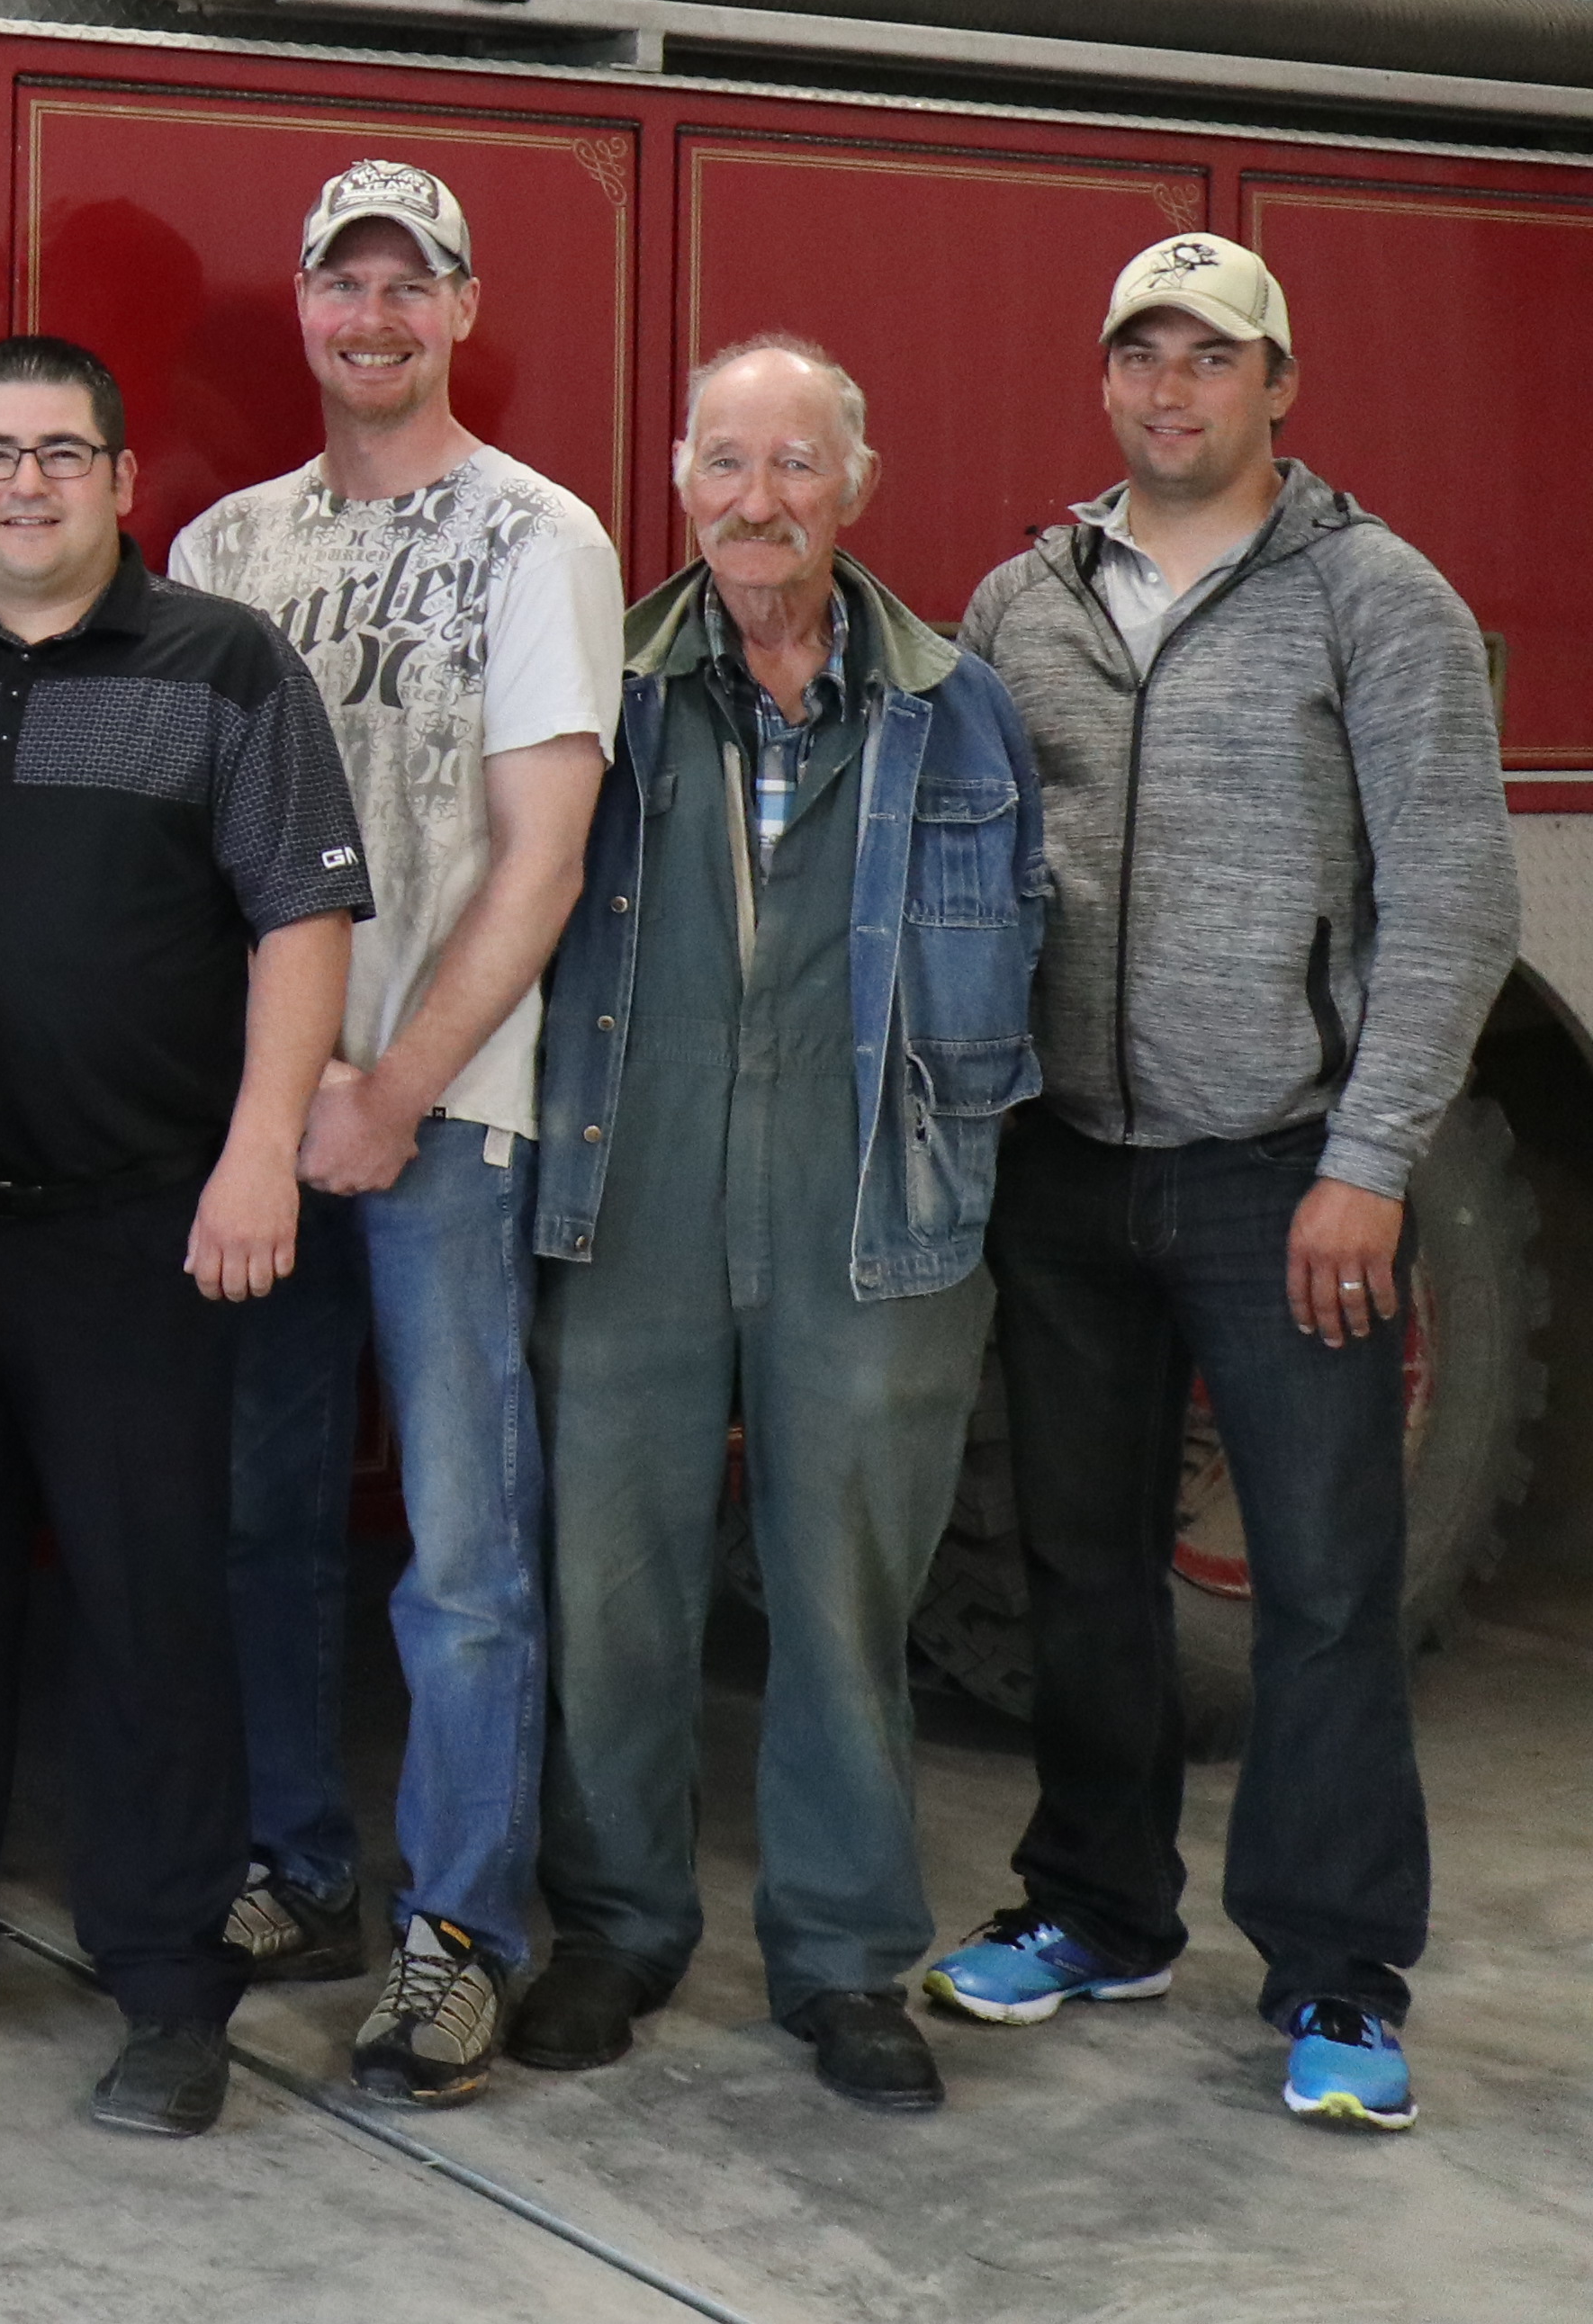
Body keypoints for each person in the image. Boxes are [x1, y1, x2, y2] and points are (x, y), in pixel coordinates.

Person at [928, 232, 1518, 2133]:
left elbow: (1456, 906)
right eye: (1140, 354)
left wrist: (1372, 1164)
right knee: (1082, 1563)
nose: (1172, 387)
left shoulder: (1379, 598)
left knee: (1326, 1589)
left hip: (1282, 1173)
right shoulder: (1023, 596)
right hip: (1065, 1166)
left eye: (1212, 356)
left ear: (1281, 384)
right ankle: (1100, 1908)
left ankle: (1339, 1974)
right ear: (1104, 380)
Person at [0, 335, 356, 2142]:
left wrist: (263, 1152)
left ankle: (174, 1984)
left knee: (146, 1604)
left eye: (64, 453)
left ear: (121, 481)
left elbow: (302, 916)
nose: (28, 483)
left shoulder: (224, 666)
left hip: (144, 1228)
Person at [510, 336, 1049, 2118]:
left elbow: (1019, 948)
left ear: (858, 483)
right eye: (727, 462)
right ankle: (615, 1926)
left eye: (797, 464)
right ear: (679, 476)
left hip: (871, 1209)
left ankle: (843, 1958)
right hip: (630, 1182)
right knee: (613, 1589)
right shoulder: (608, 683)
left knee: (842, 1597)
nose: (759, 499)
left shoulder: (954, 702)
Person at [163, 157, 619, 2107]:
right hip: (268, 1122)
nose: (371, 315)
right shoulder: (217, 546)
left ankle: (463, 1931)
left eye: (405, 284)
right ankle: (296, 1863)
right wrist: (269, 1111)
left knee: (461, 1545)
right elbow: (178, 857)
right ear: (301, 305)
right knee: (261, 1515)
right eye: (340, 282)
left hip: (444, 1117)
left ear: (459, 307)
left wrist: (395, 1083)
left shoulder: (540, 539)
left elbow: (542, 854)